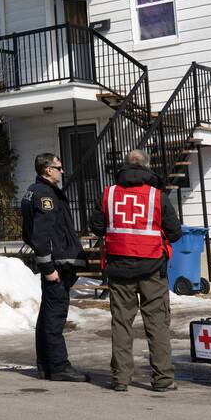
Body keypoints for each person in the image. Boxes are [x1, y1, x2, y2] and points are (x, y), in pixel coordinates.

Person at [89, 149, 181, 392]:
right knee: (157, 323)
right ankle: (162, 379)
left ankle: (120, 378)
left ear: (125, 166)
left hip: (119, 269)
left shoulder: (108, 194)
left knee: (121, 323)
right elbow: (175, 232)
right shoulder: (156, 196)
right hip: (152, 269)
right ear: (147, 166)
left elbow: (96, 226)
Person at [21, 152, 89, 382]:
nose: (62, 171)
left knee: (47, 315)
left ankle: (45, 366)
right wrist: (48, 268)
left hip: (57, 262)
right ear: (48, 170)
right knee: (54, 317)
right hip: (57, 265)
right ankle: (59, 366)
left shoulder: (35, 191)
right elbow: (40, 235)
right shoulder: (45, 194)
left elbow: (29, 233)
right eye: (59, 168)